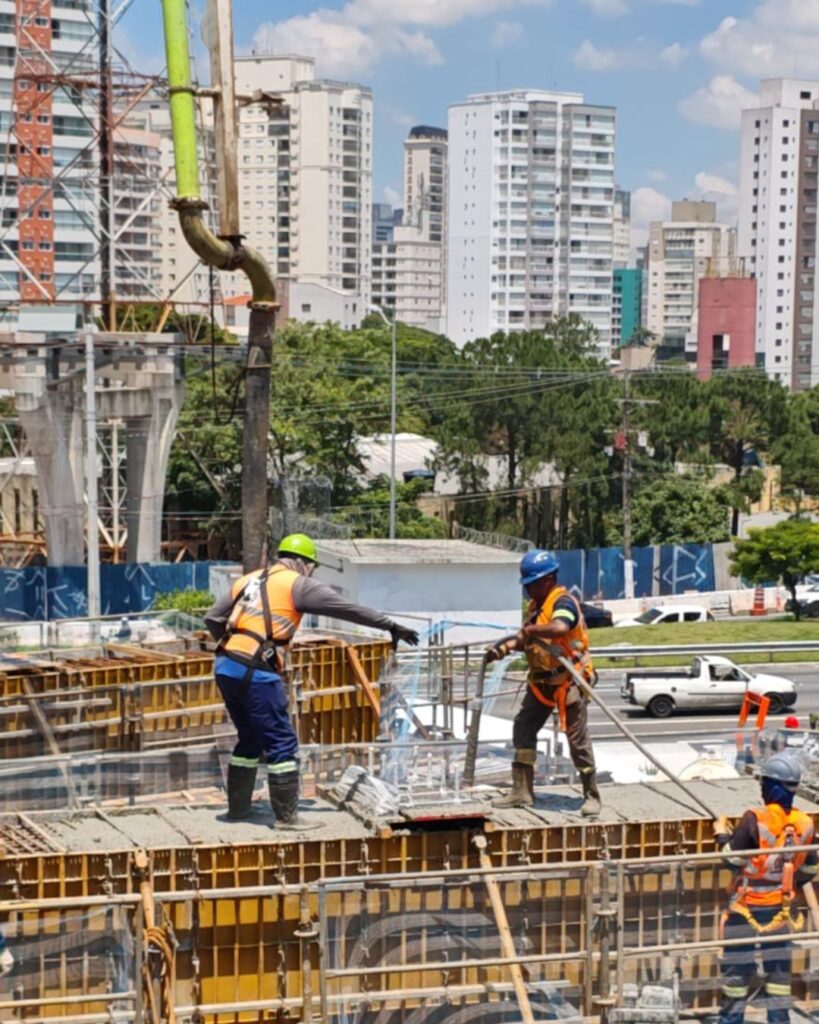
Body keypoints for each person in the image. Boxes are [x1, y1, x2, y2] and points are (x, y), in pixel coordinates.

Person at [204, 533, 419, 827]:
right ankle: (287, 818)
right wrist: (390, 625)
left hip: (225, 665)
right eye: (312, 567)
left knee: (251, 737)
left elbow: (212, 618)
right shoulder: (298, 584)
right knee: (281, 741)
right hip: (256, 670)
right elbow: (346, 608)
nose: (312, 572)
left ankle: (238, 810)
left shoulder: (247, 580)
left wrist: (237, 647)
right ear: (302, 562)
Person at [485, 549, 601, 817]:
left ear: (548, 580)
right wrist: (502, 649)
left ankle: (592, 795)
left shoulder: (563, 602)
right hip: (541, 683)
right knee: (523, 728)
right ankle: (522, 790)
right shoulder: (536, 607)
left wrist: (530, 630)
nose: (527, 590)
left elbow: (560, 628)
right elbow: (528, 641)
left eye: (532, 584)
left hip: (568, 682)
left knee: (577, 740)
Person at [714, 752, 818, 1024]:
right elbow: (810, 869)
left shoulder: (755, 818)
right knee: (778, 973)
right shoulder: (805, 823)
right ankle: (779, 1020)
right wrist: (786, 882)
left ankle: (731, 1020)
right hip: (781, 910)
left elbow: (731, 860)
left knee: (737, 970)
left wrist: (721, 833)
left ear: (770, 786)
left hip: (746, 907)